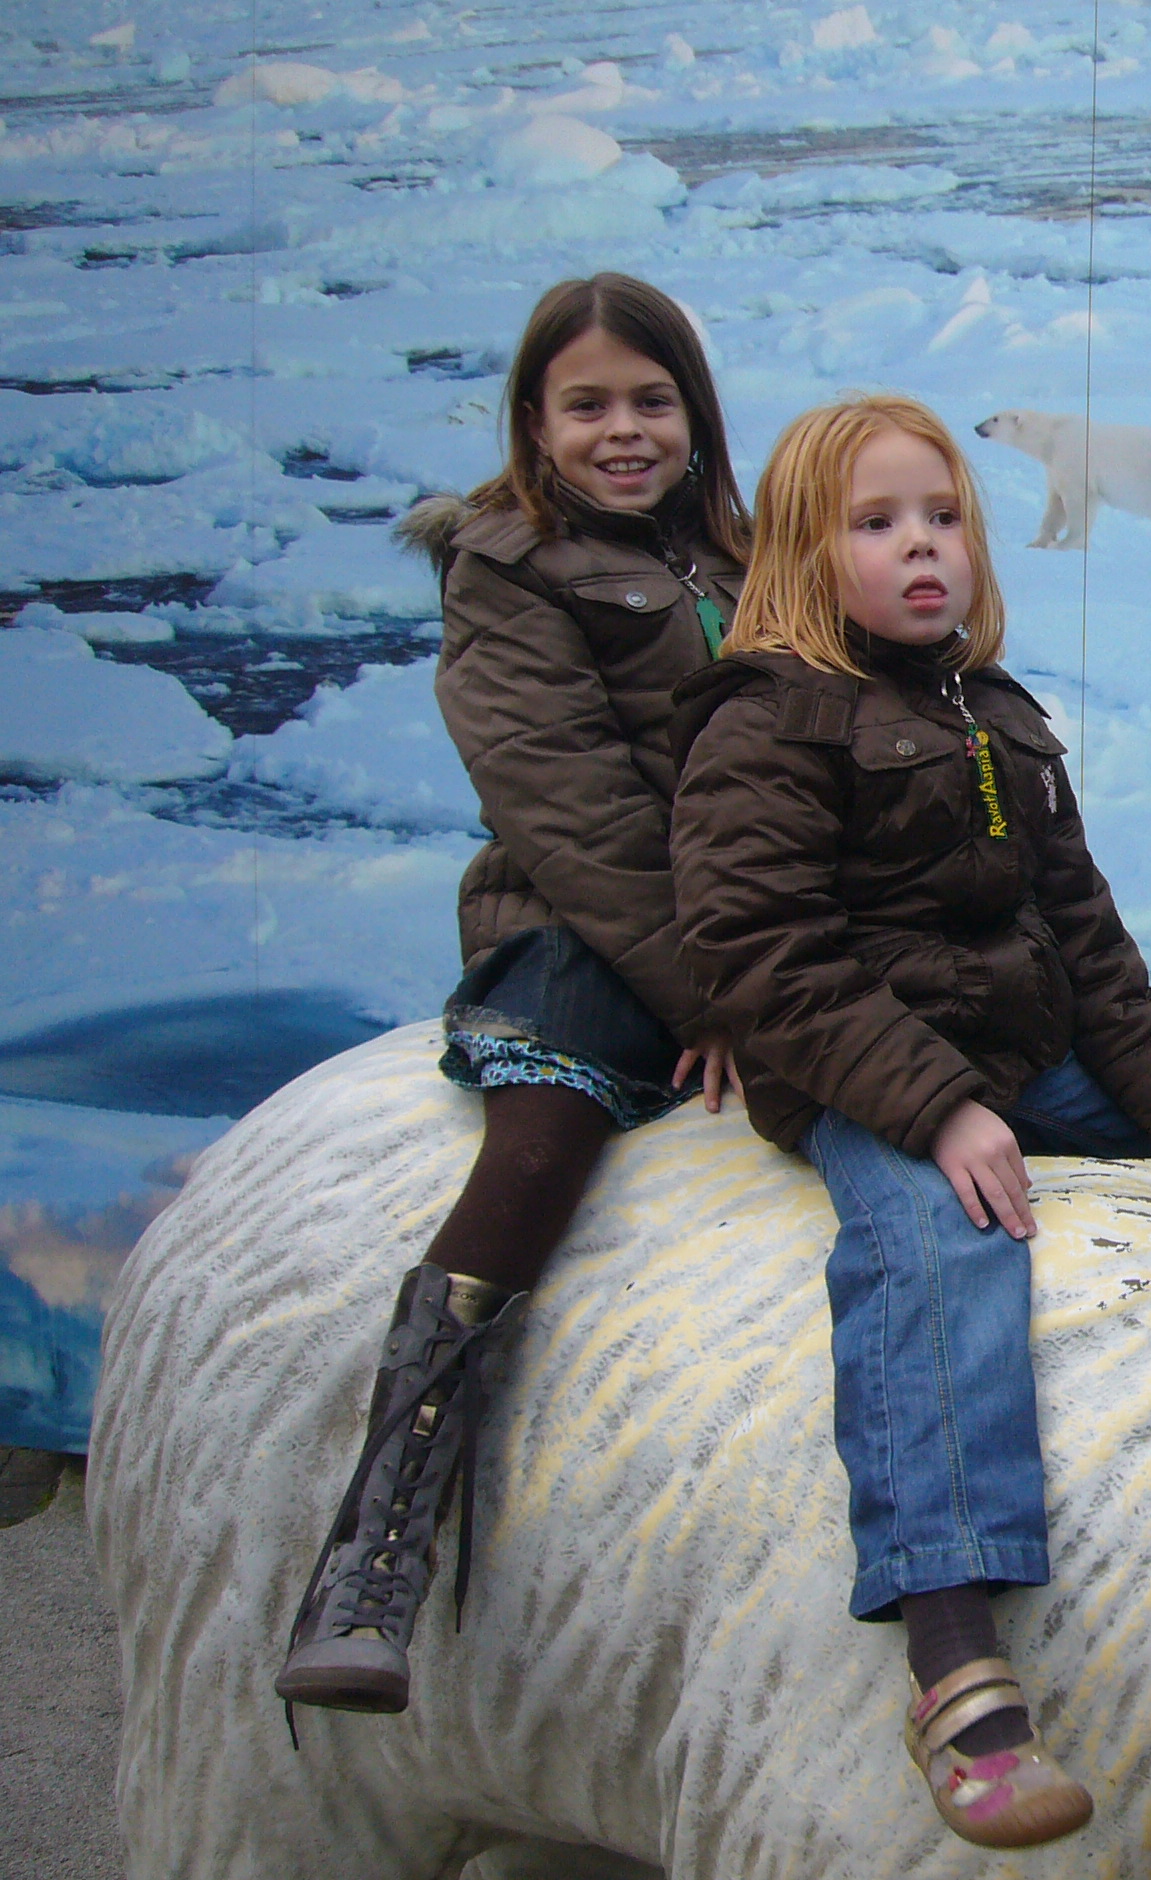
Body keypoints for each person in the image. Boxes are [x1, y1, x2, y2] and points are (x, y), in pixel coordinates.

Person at [667, 394, 1151, 1850]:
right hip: (867, 1073)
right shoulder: (768, 718)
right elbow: (761, 951)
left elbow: (1085, 931)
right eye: (877, 524)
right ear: (805, 554)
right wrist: (934, 1108)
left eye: (942, 517)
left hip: (1021, 1049)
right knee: (939, 1254)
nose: (922, 546)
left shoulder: (992, 707)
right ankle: (950, 1648)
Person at [276, 273, 750, 1716]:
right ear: (534, 424)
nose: (625, 430)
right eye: (588, 404)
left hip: (757, 927)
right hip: (585, 925)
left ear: (695, 413)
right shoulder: (508, 568)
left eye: (652, 400)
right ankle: (377, 1550)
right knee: (541, 1147)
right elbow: (570, 805)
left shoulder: (742, 553)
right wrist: (713, 993)